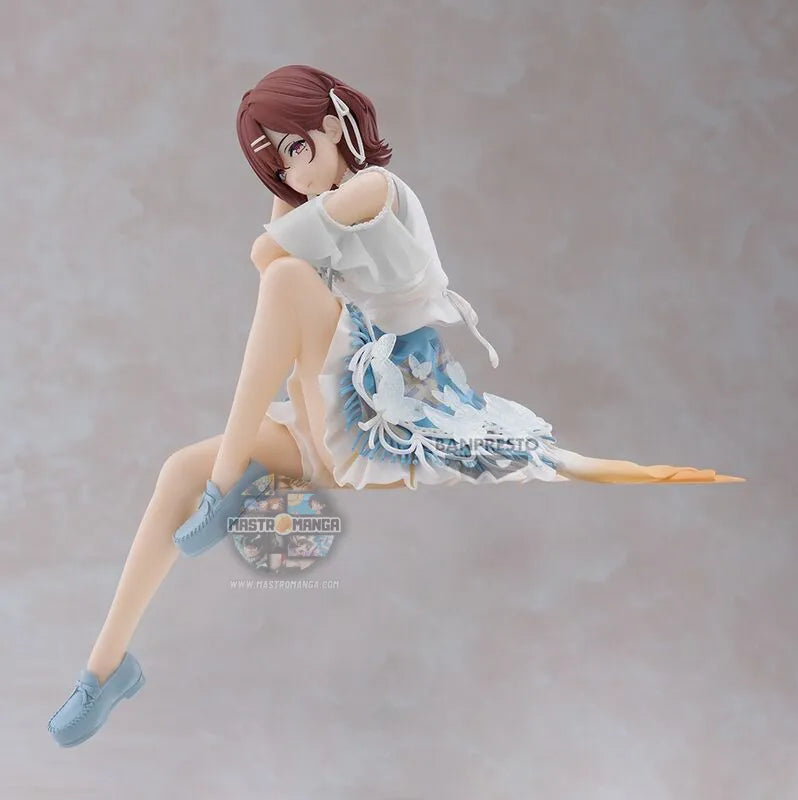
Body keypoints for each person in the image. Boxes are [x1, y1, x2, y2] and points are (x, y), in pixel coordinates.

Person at [47, 63, 745, 748]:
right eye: (274, 164)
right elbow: (277, 249)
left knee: (286, 281)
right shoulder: (322, 212)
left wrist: (288, 197)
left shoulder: (374, 187)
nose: (290, 173)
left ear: (334, 124)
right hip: (320, 417)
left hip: (373, 418)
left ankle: (228, 480)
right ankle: (104, 671)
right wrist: (285, 178)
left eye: (294, 148)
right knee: (176, 470)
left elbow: (267, 254)